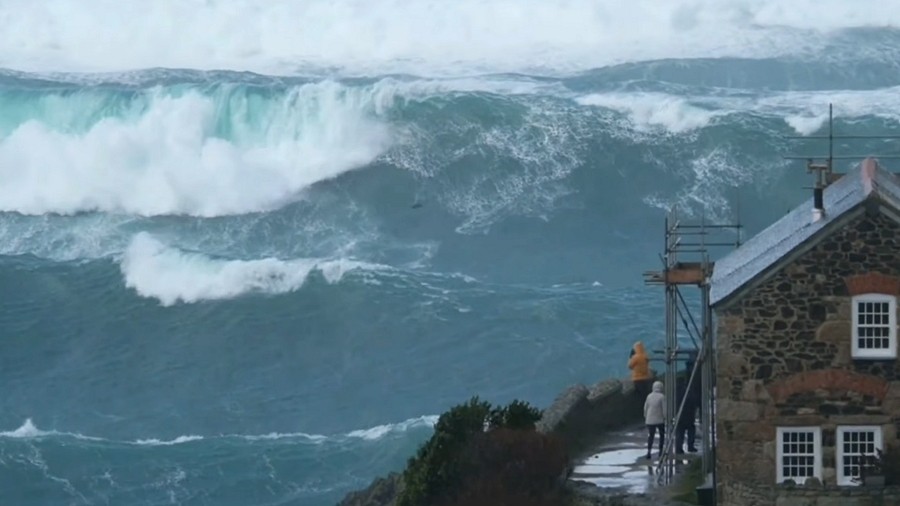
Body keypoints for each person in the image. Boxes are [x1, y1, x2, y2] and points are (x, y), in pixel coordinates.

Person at [675, 377, 698, 454]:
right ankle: (690, 446)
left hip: (679, 415)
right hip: (688, 414)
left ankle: (679, 448)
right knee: (691, 430)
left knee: (680, 432)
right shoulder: (688, 391)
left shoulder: (676, 392)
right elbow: (693, 400)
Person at [644, 380, 665, 459]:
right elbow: (664, 409)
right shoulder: (662, 396)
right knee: (661, 435)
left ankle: (649, 451)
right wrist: (666, 417)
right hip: (659, 420)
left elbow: (645, 408)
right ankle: (660, 451)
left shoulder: (649, 396)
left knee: (651, 436)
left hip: (650, 420)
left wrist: (646, 416)